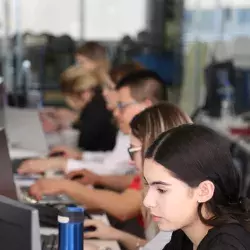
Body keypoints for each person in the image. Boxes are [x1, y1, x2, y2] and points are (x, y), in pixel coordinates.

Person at [79, 102, 192, 250]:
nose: (131, 162)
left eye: (133, 151)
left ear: (155, 147)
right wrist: (117, 235)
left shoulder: (177, 203)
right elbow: (158, 247)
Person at [18, 69, 167, 177]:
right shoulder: (133, 131)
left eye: (122, 105)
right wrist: (82, 157)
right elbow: (115, 162)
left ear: (146, 105)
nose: (104, 93)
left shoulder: (162, 144)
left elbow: (114, 171)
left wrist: (62, 165)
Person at [143, 124, 250, 250]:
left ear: (204, 191)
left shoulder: (226, 246)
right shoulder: (186, 231)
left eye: (161, 190)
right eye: (148, 185)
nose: (147, 201)